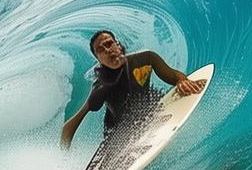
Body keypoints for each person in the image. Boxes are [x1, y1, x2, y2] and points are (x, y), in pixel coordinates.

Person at [60, 30, 206, 147]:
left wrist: (181, 81)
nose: (108, 50)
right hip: (119, 135)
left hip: (150, 112)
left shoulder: (146, 58)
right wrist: (64, 161)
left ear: (118, 44)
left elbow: (173, 76)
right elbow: (68, 128)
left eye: (109, 44)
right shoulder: (102, 87)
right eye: (101, 50)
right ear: (98, 60)